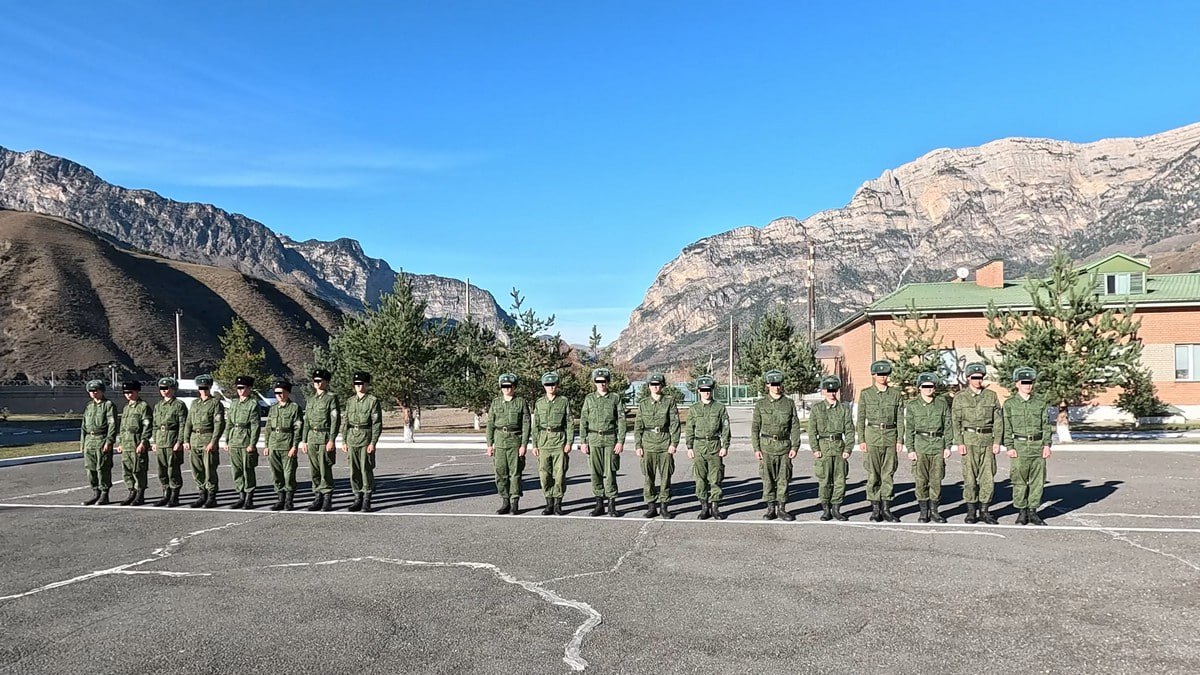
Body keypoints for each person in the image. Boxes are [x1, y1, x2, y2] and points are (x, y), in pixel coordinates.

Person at [951, 362, 1003, 524]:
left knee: (987, 477)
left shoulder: (991, 396)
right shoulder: (960, 398)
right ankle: (971, 511)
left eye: (980, 377)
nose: (978, 380)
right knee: (970, 478)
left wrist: (997, 441)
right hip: (969, 440)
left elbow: (998, 421)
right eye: (975, 378)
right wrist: (959, 442)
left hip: (987, 440)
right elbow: (955, 422)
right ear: (968, 378)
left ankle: (985, 511)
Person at [1002, 367, 1053, 525]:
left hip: (1037, 445)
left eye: (1030, 382)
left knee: (1037, 481)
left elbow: (1046, 425)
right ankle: (1021, 511)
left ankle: (1033, 511)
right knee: (1019, 480)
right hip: (1019, 445)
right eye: (1024, 382)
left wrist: (1047, 444)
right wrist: (1009, 446)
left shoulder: (1040, 403)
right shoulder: (1010, 404)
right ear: (1017, 384)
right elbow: (1007, 427)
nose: (1027, 385)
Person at [856, 360, 905, 522]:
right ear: (873, 375)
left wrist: (900, 439)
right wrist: (861, 439)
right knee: (873, 474)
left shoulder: (896, 394)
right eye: (879, 374)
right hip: (872, 436)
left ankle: (886, 508)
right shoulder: (866, 393)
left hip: (890, 436)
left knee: (888, 473)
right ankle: (875, 508)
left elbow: (899, 418)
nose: (883, 377)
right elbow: (861, 418)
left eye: (885, 374)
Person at [750, 369, 802, 521]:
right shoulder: (761, 404)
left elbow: (795, 426)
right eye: (773, 384)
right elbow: (755, 427)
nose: (776, 387)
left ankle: (782, 509)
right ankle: (770, 508)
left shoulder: (789, 403)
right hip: (766, 446)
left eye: (778, 384)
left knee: (784, 479)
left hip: (784, 447)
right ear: (767, 385)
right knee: (767, 479)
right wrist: (756, 448)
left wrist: (794, 446)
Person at [904, 372, 953, 524]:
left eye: (931, 386)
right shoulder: (912, 405)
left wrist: (948, 445)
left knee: (936, 480)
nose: (928, 389)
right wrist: (910, 449)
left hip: (937, 445)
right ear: (919, 388)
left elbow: (948, 426)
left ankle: (935, 511)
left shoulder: (941, 403)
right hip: (920, 446)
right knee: (921, 481)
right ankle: (923, 512)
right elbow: (909, 428)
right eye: (925, 386)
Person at [579, 368, 627, 517]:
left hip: (610, 439)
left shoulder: (615, 398)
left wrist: (620, 441)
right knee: (595, 472)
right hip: (593, 439)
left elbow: (621, 420)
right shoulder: (589, 399)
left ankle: (612, 504)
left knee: (610, 472)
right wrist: (583, 441)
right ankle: (599, 504)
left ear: (608, 382)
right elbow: (583, 420)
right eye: (598, 381)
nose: (601, 384)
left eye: (604, 381)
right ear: (594, 383)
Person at [634, 373, 681, 519]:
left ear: (662, 386)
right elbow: (638, 426)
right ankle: (651, 506)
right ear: (648, 386)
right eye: (652, 384)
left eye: (658, 384)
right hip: (648, 443)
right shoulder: (643, 403)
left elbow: (674, 423)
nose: (655, 387)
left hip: (664, 442)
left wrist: (674, 443)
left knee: (665, 476)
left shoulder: (669, 401)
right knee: (649, 476)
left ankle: (664, 506)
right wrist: (638, 445)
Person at [685, 375, 730, 520]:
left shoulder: (720, 408)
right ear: (698, 391)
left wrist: (725, 445)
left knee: (716, 478)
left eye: (708, 389)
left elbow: (725, 428)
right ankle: (704, 507)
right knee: (700, 478)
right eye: (703, 390)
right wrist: (689, 446)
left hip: (715, 445)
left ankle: (715, 507)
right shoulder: (693, 409)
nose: (706, 392)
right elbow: (689, 429)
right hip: (699, 446)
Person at [810, 375, 854, 521]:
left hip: (839, 448)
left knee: (840, 480)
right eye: (828, 390)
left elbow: (849, 430)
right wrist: (815, 448)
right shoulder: (817, 409)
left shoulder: (843, 409)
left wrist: (848, 449)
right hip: (823, 448)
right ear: (823, 391)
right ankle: (825, 509)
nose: (831, 393)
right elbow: (812, 431)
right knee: (824, 481)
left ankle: (836, 509)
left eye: (834, 390)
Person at [486, 373, 531, 515]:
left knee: (515, 473)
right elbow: (490, 424)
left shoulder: (521, 402)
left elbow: (526, 425)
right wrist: (489, 444)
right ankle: (505, 500)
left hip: (515, 441)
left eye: (509, 386)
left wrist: (523, 445)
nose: (506, 389)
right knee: (500, 473)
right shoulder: (496, 402)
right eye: (504, 386)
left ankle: (515, 501)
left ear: (514, 387)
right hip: (499, 441)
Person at [531, 371, 572, 516]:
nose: (550, 387)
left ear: (557, 385)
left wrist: (569, 442)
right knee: (544, 474)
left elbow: (569, 423)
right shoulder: (539, 403)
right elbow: (535, 425)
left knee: (560, 474)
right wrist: (534, 444)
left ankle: (558, 503)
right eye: (547, 384)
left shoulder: (563, 401)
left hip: (559, 440)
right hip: (543, 441)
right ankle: (548, 502)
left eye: (553, 384)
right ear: (544, 386)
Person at [182, 373, 225, 508]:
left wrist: (213, 442)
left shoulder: (215, 403)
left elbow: (219, 424)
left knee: (209, 469)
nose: (203, 390)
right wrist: (186, 439)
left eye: (205, 388)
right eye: (201, 388)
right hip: (195, 439)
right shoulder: (195, 404)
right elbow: (188, 422)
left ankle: (212, 496)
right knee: (197, 470)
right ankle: (202, 494)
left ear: (210, 387)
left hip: (208, 439)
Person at [342, 371, 383, 513]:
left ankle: (367, 499)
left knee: (366, 469)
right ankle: (357, 498)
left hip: (365, 438)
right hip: (352, 438)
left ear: (366, 384)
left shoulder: (372, 401)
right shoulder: (350, 401)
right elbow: (346, 422)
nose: (358, 386)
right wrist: (344, 440)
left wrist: (373, 442)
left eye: (360, 384)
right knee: (354, 470)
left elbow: (376, 424)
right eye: (356, 384)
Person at [302, 368, 341, 512]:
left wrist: (331, 439)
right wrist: (304, 440)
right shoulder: (311, 400)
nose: (317, 383)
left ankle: (327, 498)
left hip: (324, 437)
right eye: (315, 381)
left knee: (325, 468)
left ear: (326, 382)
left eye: (320, 381)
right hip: (312, 437)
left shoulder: (331, 398)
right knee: (315, 470)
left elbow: (335, 420)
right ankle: (317, 496)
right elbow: (306, 421)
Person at [265, 379, 304, 511]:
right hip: (274, 444)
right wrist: (266, 445)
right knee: (276, 474)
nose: (279, 395)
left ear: (287, 393)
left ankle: (289, 500)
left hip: (287, 444)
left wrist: (294, 446)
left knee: (289, 474)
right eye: (276, 393)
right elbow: (268, 427)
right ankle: (280, 499)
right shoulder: (273, 409)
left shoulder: (294, 408)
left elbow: (298, 428)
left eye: (281, 392)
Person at [224, 375, 262, 509]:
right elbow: (229, 423)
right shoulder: (234, 403)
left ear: (249, 389)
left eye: (242, 388)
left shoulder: (253, 404)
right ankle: (240, 496)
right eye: (238, 388)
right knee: (237, 470)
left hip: (245, 439)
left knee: (247, 469)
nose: (240, 390)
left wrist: (252, 444)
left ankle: (249, 498)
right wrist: (227, 440)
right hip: (234, 440)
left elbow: (255, 426)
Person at [150, 377, 187, 507]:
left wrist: (180, 441)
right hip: (160, 440)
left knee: (173, 469)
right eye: (161, 389)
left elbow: (183, 424)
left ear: (172, 389)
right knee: (162, 470)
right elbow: (155, 425)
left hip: (172, 439)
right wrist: (154, 441)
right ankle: (165, 493)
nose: (164, 391)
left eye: (166, 388)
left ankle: (174, 496)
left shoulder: (179, 405)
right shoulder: (158, 405)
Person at [80, 380, 116, 505]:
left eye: (96, 390)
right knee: (90, 468)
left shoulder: (108, 405)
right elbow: (84, 426)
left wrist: (109, 441)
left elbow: (112, 425)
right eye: (91, 391)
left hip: (102, 439)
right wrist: (83, 444)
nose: (93, 393)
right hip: (90, 440)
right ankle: (95, 492)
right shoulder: (89, 406)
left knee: (103, 468)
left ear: (101, 391)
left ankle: (104, 493)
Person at [116, 380, 152, 506]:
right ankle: (131, 491)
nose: (128, 395)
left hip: (136, 441)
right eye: (125, 392)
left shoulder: (143, 407)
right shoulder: (126, 408)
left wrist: (143, 442)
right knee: (127, 470)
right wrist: (119, 442)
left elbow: (147, 426)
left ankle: (140, 494)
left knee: (139, 469)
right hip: (126, 442)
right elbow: (122, 427)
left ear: (137, 391)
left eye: (130, 392)